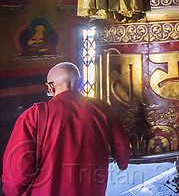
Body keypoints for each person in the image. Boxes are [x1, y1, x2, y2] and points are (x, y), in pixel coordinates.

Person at [2, 62, 131, 196]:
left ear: (50, 87)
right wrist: (122, 163)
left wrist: (11, 192)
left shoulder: (34, 115)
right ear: (81, 82)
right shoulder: (102, 108)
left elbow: (17, 168)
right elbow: (122, 147)